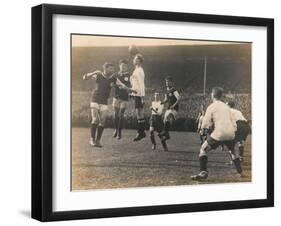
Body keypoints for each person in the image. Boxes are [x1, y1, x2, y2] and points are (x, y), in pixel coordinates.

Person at [191, 87, 243, 180]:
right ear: (221, 95)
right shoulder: (226, 107)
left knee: (203, 149)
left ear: (212, 95)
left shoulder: (212, 106)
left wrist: (203, 130)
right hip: (231, 132)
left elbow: (206, 121)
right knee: (233, 152)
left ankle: (203, 172)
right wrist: (233, 132)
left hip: (219, 132)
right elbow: (233, 122)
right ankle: (240, 172)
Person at [82, 62, 116, 148]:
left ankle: (98, 141)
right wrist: (94, 72)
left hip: (104, 101)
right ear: (106, 68)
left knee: (103, 121)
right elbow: (84, 77)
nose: (112, 70)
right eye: (111, 68)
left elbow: (122, 85)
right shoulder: (98, 75)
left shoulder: (113, 78)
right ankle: (92, 139)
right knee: (95, 119)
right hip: (95, 100)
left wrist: (130, 90)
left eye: (113, 69)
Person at [112, 59, 131, 139]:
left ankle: (119, 132)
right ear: (119, 66)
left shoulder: (129, 76)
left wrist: (128, 89)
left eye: (125, 66)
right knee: (115, 114)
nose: (123, 67)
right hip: (116, 97)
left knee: (121, 115)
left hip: (124, 98)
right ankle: (116, 129)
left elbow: (131, 86)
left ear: (127, 67)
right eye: (122, 65)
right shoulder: (115, 75)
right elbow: (112, 84)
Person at [159, 76, 181, 142]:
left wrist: (174, 105)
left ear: (171, 82)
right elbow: (166, 99)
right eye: (166, 81)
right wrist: (162, 102)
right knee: (165, 121)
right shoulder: (167, 91)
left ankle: (165, 133)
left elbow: (179, 98)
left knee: (168, 118)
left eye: (168, 81)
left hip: (174, 108)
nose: (167, 83)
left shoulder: (173, 90)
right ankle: (167, 135)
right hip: (169, 108)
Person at [130, 54, 146, 141]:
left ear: (139, 60)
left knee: (139, 114)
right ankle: (141, 132)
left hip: (139, 95)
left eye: (135, 59)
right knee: (138, 114)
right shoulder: (136, 70)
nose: (134, 60)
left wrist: (142, 97)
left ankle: (141, 133)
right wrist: (132, 93)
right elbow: (135, 84)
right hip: (136, 94)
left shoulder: (140, 70)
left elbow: (141, 84)